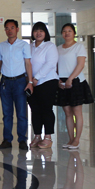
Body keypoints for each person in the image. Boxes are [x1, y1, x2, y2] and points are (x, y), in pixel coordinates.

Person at [0, 19, 34, 151]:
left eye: (12, 28)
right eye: (7, 28)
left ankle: (22, 140)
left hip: (20, 82)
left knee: (21, 113)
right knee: (7, 113)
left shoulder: (24, 45)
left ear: (17, 29)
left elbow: (28, 63)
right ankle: (7, 139)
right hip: (5, 82)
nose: (9, 30)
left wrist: (30, 82)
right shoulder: (1, 46)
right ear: (5, 30)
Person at [56, 23, 90, 150]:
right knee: (67, 112)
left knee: (77, 112)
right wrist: (58, 79)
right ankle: (70, 139)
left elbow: (80, 65)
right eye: (64, 31)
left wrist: (70, 78)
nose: (67, 33)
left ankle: (77, 140)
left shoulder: (79, 47)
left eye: (69, 31)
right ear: (62, 34)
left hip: (76, 81)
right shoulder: (58, 48)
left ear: (74, 33)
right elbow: (56, 65)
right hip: (63, 82)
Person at [28, 21, 59, 150]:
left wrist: (37, 77)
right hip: (31, 84)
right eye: (36, 30)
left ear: (45, 33)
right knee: (35, 110)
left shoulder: (50, 46)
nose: (38, 33)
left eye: (41, 30)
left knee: (46, 109)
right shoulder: (30, 47)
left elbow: (50, 64)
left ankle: (48, 137)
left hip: (47, 82)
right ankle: (37, 136)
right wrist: (30, 80)